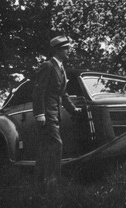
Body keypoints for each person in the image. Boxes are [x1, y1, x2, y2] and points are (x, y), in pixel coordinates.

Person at [32, 35, 81, 189]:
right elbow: (38, 91)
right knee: (55, 145)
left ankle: (40, 183)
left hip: (55, 115)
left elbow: (63, 94)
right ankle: (53, 182)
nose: (69, 51)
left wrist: (74, 110)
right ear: (58, 50)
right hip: (46, 115)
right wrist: (39, 114)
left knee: (45, 149)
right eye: (66, 49)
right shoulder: (48, 66)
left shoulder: (61, 69)